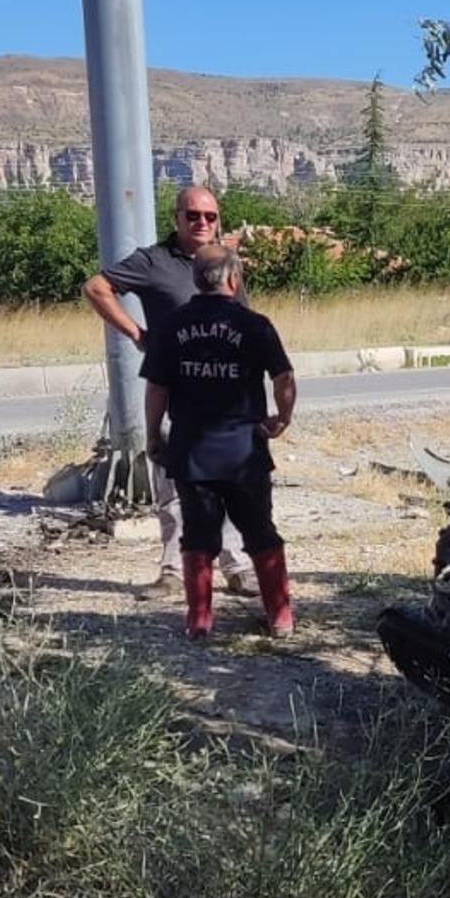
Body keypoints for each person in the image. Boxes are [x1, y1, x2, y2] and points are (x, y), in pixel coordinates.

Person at [82, 185, 257, 597]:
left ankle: (237, 567)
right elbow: (96, 288)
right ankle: (173, 571)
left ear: (219, 221)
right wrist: (138, 334)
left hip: (226, 397)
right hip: (174, 391)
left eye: (210, 217)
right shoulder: (152, 261)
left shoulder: (227, 264)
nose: (201, 223)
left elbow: (244, 320)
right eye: (192, 215)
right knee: (175, 486)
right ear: (176, 218)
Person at [141, 244, 296, 640]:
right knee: (260, 531)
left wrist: (152, 433)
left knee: (197, 534)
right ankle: (280, 617)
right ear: (234, 279)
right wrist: (282, 418)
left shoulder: (171, 327)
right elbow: (284, 379)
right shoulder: (256, 324)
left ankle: (199, 620)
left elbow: (156, 388)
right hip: (245, 451)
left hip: (192, 452)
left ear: (196, 280)